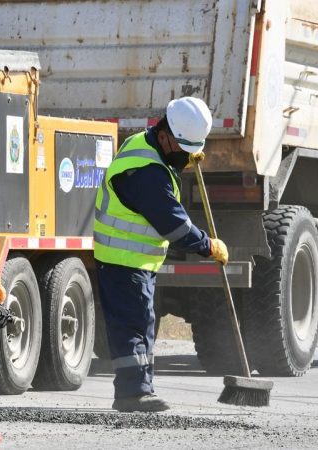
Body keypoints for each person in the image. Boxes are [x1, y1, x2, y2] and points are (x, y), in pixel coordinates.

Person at [93, 96, 228, 412]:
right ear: (165, 135)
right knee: (135, 324)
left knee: (139, 322)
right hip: (125, 260)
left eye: (190, 151)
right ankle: (133, 393)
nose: (185, 156)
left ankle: (138, 389)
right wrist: (207, 245)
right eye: (183, 149)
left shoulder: (146, 146)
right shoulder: (148, 173)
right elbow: (175, 227)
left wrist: (181, 157)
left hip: (128, 259)